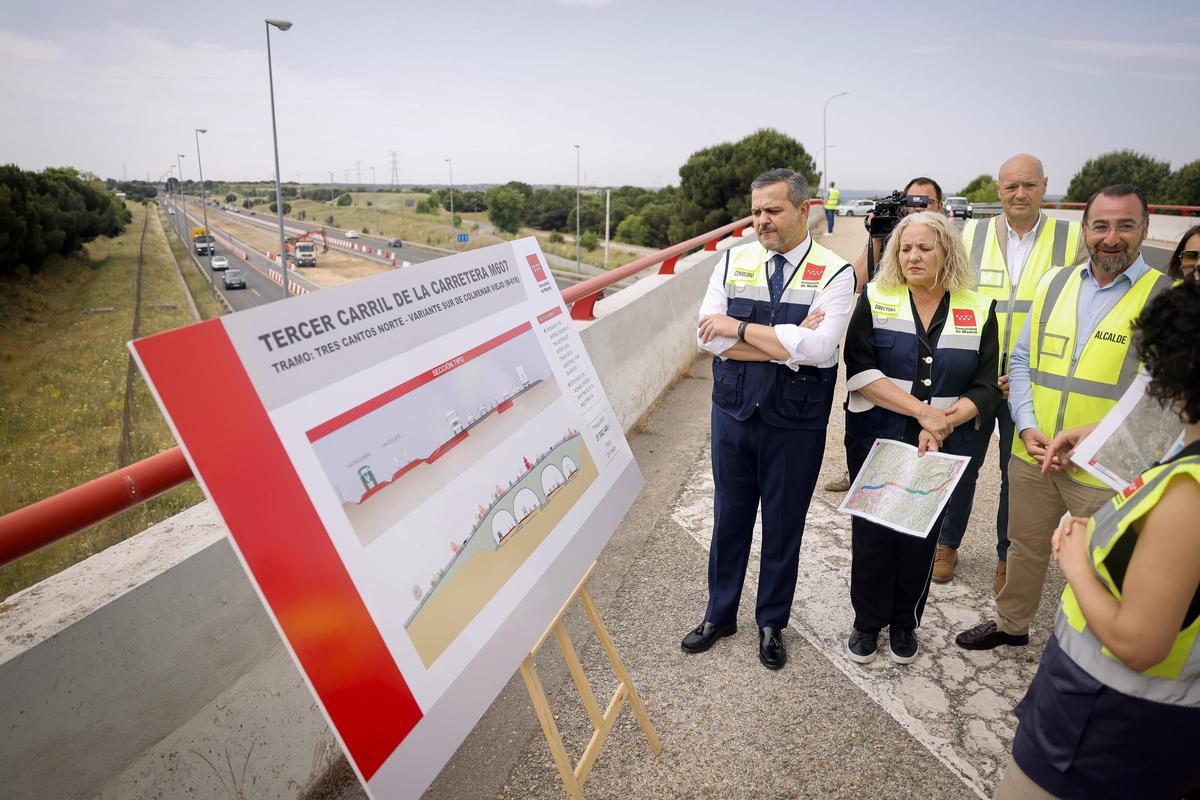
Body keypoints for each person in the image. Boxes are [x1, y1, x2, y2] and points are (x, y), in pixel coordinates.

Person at [995, 279, 1200, 800]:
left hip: (1109, 721)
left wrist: (1077, 561)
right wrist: (1101, 433)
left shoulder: (1189, 495)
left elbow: (1138, 643)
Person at [957, 184, 1174, 652]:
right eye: (1100, 226)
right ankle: (1011, 625)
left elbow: (1163, 395)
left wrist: (1095, 439)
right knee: (1024, 546)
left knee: (1103, 562)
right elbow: (1021, 362)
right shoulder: (1056, 282)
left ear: (1145, 229)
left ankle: (1090, 648)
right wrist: (1028, 424)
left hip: (1103, 464)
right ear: (1085, 229)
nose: (1110, 238)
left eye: (1124, 226)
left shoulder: (1163, 298)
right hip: (1033, 450)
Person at [686, 168, 855, 670]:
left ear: (805, 211)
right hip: (733, 414)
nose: (762, 220)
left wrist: (740, 329)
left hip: (795, 423)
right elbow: (705, 339)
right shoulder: (733, 261)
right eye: (756, 211)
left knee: (783, 526)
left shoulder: (834, 271)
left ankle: (771, 622)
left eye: (773, 210)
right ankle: (720, 614)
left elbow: (822, 350)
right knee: (729, 518)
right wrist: (786, 344)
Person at [843, 212, 1000, 664]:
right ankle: (866, 622)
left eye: (925, 248)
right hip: (878, 436)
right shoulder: (876, 297)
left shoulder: (978, 307)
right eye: (905, 248)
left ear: (946, 252)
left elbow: (986, 385)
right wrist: (924, 414)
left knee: (920, 534)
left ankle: (904, 623)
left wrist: (945, 423)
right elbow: (861, 371)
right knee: (874, 530)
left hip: (944, 441)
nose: (913, 256)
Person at [934, 154, 1085, 591]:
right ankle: (947, 545)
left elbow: (1074, 311)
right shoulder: (972, 233)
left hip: (1031, 382)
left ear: (1045, 187)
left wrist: (1028, 374)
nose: (1020, 194)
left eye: (1030, 185)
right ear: (998, 189)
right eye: (1011, 186)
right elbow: (953, 298)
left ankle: (1006, 555)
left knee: (1015, 475)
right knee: (960, 464)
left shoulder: (1070, 239)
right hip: (976, 378)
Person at [824, 176, 944, 495]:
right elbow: (856, 282)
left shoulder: (947, 243)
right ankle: (859, 471)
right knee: (862, 407)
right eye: (911, 203)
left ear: (940, 208)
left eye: (925, 204)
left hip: (924, 351)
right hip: (880, 342)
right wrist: (878, 236)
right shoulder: (891, 236)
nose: (917, 210)